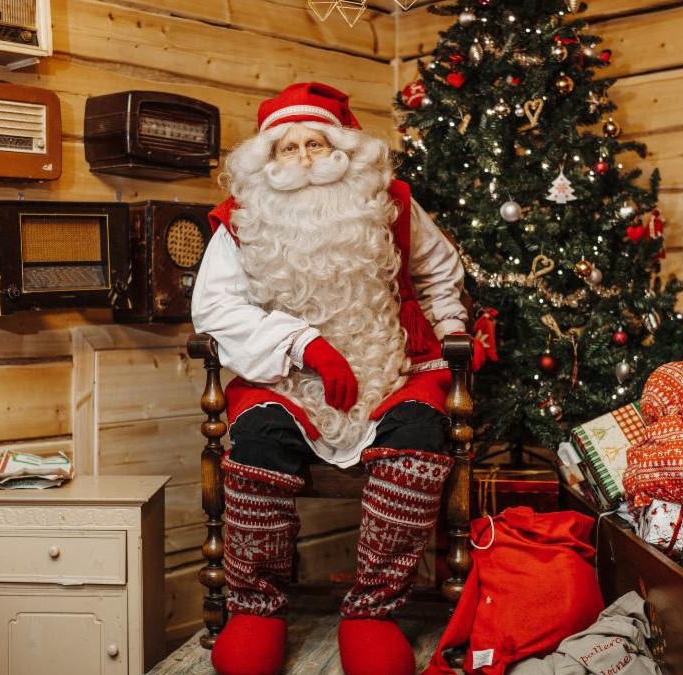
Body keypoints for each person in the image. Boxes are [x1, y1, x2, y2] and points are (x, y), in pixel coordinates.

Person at [191, 82, 474, 675]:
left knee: (421, 435)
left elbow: (438, 269)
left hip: (392, 369)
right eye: (287, 149)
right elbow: (215, 310)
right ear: (266, 162)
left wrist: (449, 327)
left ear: (343, 151)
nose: (302, 160)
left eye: (315, 144)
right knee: (257, 441)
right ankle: (256, 609)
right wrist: (305, 345)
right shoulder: (240, 221)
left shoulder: (387, 200)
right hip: (287, 380)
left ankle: (372, 611)